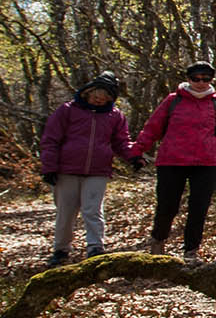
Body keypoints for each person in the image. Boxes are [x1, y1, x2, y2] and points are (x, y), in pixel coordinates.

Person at [131, 61, 216, 265]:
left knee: (199, 208)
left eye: (205, 79)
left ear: (211, 81)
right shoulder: (173, 101)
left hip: (206, 164)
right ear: (188, 79)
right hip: (172, 161)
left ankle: (191, 253)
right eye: (196, 78)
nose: (200, 83)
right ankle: (158, 243)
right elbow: (151, 128)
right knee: (167, 206)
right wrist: (136, 153)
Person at [39, 72, 143, 267]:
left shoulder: (115, 116)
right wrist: (49, 167)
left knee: (93, 210)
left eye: (105, 98)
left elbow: (121, 142)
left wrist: (133, 157)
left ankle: (95, 248)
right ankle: (61, 249)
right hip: (66, 169)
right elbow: (50, 140)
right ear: (88, 92)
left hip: (98, 170)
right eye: (97, 96)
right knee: (66, 211)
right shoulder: (67, 111)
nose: (99, 100)